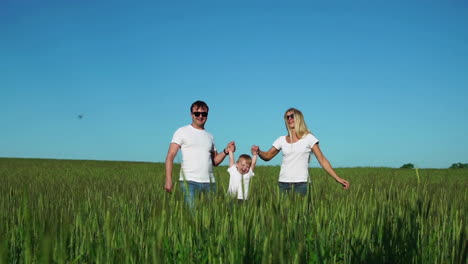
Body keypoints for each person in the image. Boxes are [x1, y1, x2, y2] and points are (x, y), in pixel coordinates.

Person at [251, 108, 349, 195]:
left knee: (301, 215)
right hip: (283, 184)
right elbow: (268, 156)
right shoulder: (281, 140)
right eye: (287, 117)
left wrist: (337, 178)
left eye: (292, 116)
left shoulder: (309, 138)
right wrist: (259, 151)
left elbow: (322, 160)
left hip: (302, 184)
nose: (289, 119)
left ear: (299, 118)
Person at [165, 100, 235, 208]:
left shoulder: (210, 136)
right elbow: (170, 156)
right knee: (192, 217)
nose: (200, 116)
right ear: (191, 114)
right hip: (189, 182)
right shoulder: (182, 131)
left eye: (204, 114)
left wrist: (226, 151)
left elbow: (215, 161)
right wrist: (168, 179)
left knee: (211, 217)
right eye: (197, 113)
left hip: (210, 183)